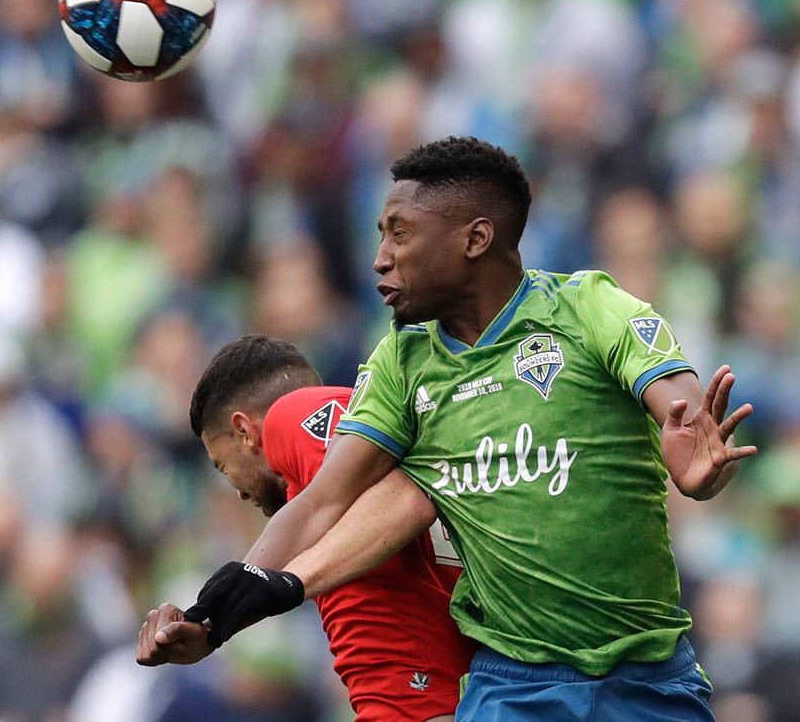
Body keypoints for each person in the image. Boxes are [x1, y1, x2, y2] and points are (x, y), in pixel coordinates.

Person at [144, 137, 756, 719]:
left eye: (401, 235)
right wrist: (213, 618)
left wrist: (693, 462)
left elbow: (679, 409)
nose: (381, 258)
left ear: (475, 239)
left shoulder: (590, 308)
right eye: (381, 235)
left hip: (647, 675)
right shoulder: (402, 365)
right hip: (514, 686)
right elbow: (319, 504)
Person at [137, 335, 476, 721]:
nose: (238, 495)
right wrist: (214, 623)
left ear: (245, 431)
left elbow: (400, 504)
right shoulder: (358, 481)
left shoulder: (299, 414)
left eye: (222, 466)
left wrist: (222, 616)